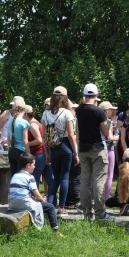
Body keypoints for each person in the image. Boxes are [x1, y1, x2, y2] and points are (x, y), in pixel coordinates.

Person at [76, 83, 112, 221]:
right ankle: (100, 213)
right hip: (97, 149)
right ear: (96, 95)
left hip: (83, 150)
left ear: (84, 95)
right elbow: (106, 133)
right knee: (98, 181)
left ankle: (86, 213)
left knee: (85, 181)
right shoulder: (99, 111)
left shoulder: (79, 110)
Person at [42, 87, 78, 216]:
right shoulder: (67, 113)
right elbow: (71, 135)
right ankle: (62, 207)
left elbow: (44, 136)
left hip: (53, 148)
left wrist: (47, 153)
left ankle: (49, 207)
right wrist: (76, 153)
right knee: (65, 178)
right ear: (65, 98)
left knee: (55, 178)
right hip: (65, 147)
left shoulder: (45, 113)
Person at [8, 152, 63, 236]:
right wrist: (43, 200)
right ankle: (55, 231)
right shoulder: (30, 177)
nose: (34, 166)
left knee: (38, 204)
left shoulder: (15, 175)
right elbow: (37, 195)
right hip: (23, 204)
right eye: (33, 164)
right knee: (50, 207)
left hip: (12, 205)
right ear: (28, 165)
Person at [99, 101, 119, 200]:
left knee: (99, 175)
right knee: (109, 175)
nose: (112, 111)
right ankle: (106, 197)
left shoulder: (95, 121)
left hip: (98, 150)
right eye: (110, 109)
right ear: (105, 111)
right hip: (109, 149)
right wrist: (119, 137)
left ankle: (97, 196)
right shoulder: (108, 122)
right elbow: (110, 137)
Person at [24, 105, 47, 188]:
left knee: (35, 176)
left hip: (39, 153)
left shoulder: (32, 125)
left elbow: (39, 140)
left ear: (26, 114)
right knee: (47, 177)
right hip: (40, 153)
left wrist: (26, 143)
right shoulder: (32, 123)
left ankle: (35, 198)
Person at [7, 98, 30, 176]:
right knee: (21, 176)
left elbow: (8, 139)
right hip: (21, 151)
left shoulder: (10, 121)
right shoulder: (24, 122)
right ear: (24, 109)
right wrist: (28, 153)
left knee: (13, 175)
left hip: (11, 151)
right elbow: (25, 140)